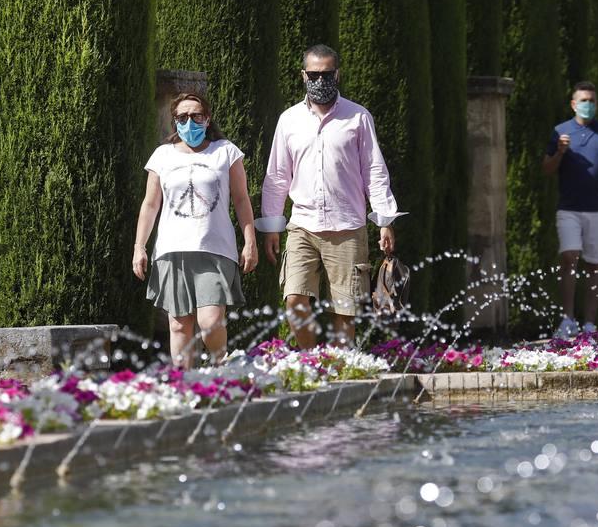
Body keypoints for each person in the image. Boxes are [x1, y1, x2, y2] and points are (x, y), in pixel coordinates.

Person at [258, 44, 405, 348]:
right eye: (314, 74)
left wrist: (385, 221)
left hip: (347, 226)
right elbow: (277, 177)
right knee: (294, 300)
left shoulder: (358, 117)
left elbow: (374, 171)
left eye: (326, 74)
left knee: (345, 309)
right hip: (303, 224)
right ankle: (311, 362)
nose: (320, 81)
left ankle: (338, 368)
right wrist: (272, 226)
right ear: (303, 75)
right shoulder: (289, 120)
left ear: (337, 74)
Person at [133, 91, 257, 367]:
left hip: (214, 249)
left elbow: (241, 199)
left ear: (207, 118)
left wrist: (250, 241)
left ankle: (220, 368)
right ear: (175, 121)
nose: (190, 122)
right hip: (172, 250)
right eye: (183, 117)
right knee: (179, 327)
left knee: (210, 322)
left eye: (196, 115)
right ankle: (185, 385)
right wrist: (139, 246)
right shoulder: (162, 155)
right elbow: (150, 204)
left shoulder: (225, 151)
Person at [542, 81, 598, 338]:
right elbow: (546, 168)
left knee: (595, 265)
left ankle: (589, 324)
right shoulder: (560, 131)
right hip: (569, 208)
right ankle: (567, 319)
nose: (588, 105)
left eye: (592, 101)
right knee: (569, 257)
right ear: (573, 104)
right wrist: (559, 152)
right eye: (583, 101)